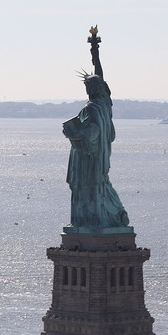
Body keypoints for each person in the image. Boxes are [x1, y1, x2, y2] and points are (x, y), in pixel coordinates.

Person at [63, 26, 129, 231]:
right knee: (101, 185)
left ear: (90, 90)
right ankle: (113, 214)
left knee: (90, 188)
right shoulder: (104, 103)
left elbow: (91, 134)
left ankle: (95, 218)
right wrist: (95, 51)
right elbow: (100, 75)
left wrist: (73, 133)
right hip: (99, 157)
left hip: (89, 158)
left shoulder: (93, 108)